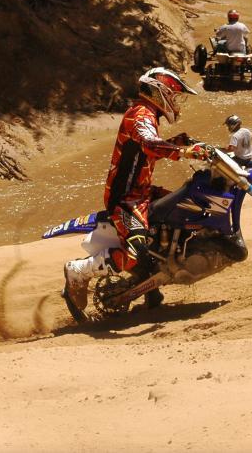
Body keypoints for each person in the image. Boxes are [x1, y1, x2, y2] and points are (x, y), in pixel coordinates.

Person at [62, 67, 207, 315]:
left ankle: (154, 287)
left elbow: (146, 150)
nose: (175, 101)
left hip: (143, 191)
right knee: (136, 249)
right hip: (126, 198)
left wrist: (179, 143)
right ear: (160, 93)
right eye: (174, 95)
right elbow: (150, 143)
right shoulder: (140, 115)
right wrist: (181, 152)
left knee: (186, 211)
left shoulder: (148, 115)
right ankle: (79, 270)